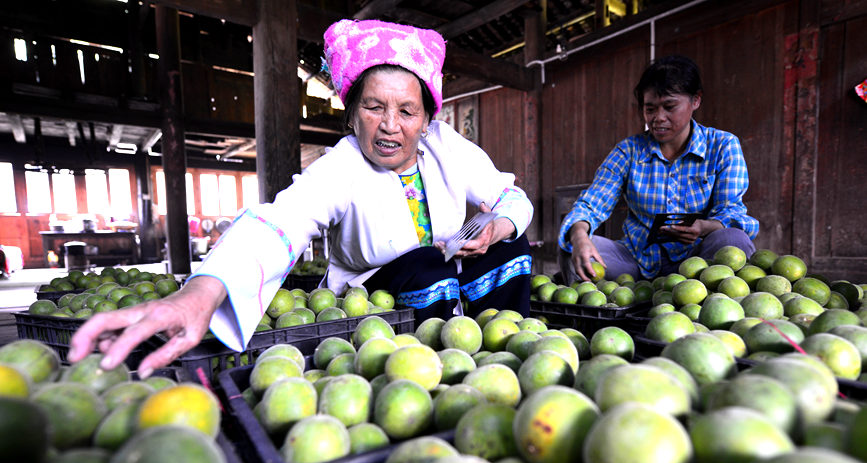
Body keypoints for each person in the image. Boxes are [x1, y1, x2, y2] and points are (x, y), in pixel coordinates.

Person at [69, 19, 534, 377]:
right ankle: (430, 366)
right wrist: (202, 291)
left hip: (449, 276)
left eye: (406, 111)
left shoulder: (447, 146)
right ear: (352, 115)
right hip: (375, 300)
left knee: (513, 247)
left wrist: (499, 225)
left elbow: (513, 198)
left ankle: (512, 348)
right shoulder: (343, 166)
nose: (390, 124)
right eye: (374, 107)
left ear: (426, 120)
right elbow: (281, 221)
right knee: (426, 267)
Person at [559, 54, 758, 283]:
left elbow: (731, 211)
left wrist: (703, 226)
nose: (658, 118)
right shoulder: (629, 151)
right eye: (650, 109)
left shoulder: (722, 146)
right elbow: (592, 203)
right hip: (635, 261)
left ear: (696, 100)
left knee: (734, 241)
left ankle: (705, 314)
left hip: (698, 263)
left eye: (669, 107)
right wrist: (579, 235)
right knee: (574, 247)